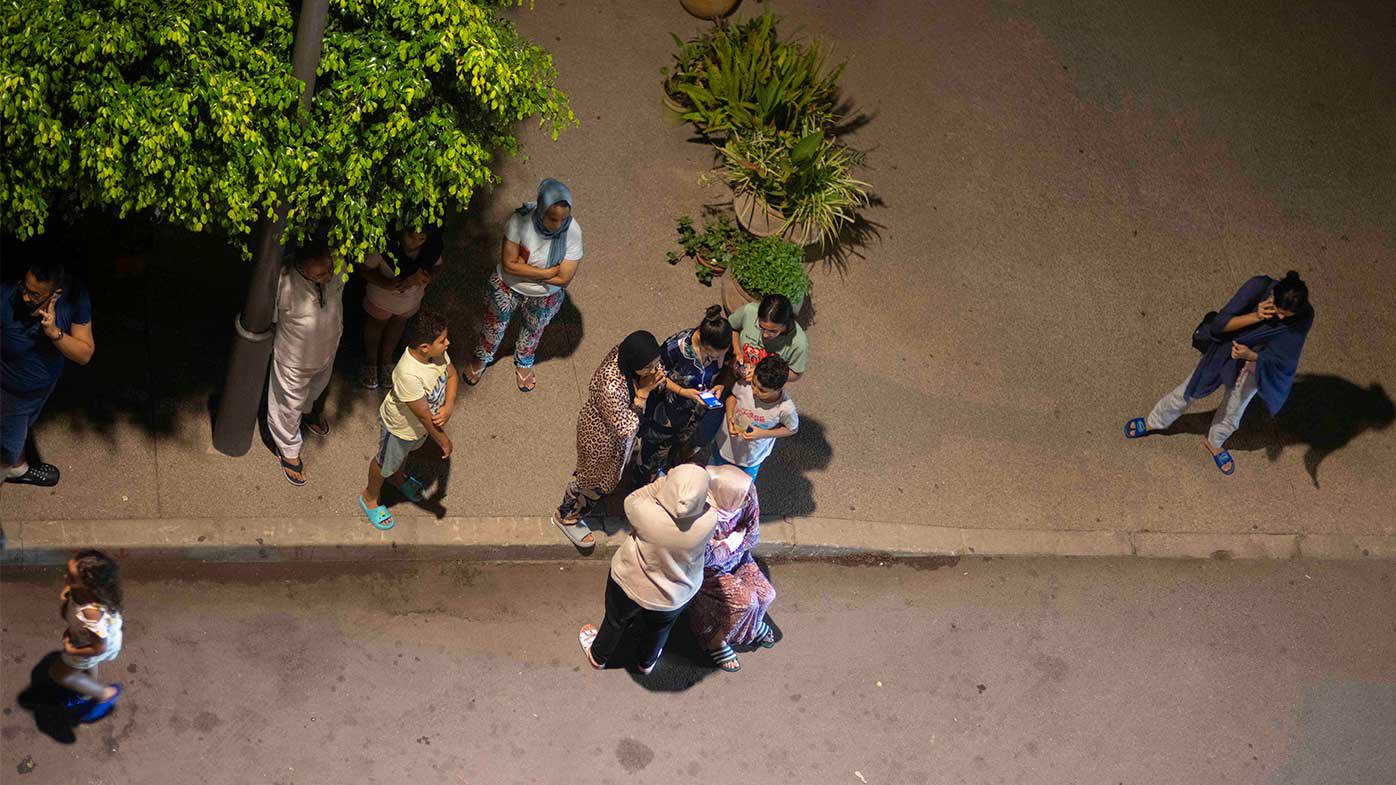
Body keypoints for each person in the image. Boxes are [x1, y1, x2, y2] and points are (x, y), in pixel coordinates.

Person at [1125, 271, 1314, 475]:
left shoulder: (1303, 317)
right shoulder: (1258, 286)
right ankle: (1153, 421)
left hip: (1255, 364)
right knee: (1188, 391)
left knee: (1234, 410)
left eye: (1286, 317)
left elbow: (1286, 357)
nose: (1279, 318)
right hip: (1225, 351)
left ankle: (1214, 442)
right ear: (1274, 295)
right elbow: (1219, 325)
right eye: (1277, 311)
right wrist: (1256, 316)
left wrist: (1253, 356)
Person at [578, 464, 720, 674]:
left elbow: (633, 498)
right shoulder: (709, 519)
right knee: (659, 628)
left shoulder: (646, 513)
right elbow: (707, 502)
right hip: (675, 596)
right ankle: (646, 662)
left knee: (615, 620)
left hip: (630, 584)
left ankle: (598, 656)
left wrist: (665, 482)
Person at [462, 178, 581, 393]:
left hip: (545, 294)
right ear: (541, 210)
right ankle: (483, 356)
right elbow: (509, 265)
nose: (559, 225)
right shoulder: (519, 221)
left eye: (564, 219)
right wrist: (546, 272)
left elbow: (564, 279)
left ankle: (524, 360)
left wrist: (524, 270)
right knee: (494, 324)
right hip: (508, 286)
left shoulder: (572, 232)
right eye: (553, 219)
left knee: (534, 329)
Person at [552, 331, 667, 549]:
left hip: (615, 440)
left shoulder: (629, 359)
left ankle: (591, 497)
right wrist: (642, 395)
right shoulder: (610, 384)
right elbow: (626, 428)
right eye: (650, 366)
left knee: (604, 479)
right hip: (600, 440)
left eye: (657, 363)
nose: (655, 370)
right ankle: (566, 515)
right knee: (588, 481)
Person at [359, 310, 457, 530]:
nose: (447, 343)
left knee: (401, 456)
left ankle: (397, 476)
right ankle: (369, 498)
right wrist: (443, 441)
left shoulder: (437, 355)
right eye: (442, 340)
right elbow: (423, 415)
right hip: (399, 429)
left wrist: (448, 407)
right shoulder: (409, 375)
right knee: (383, 462)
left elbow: (452, 376)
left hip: (418, 430)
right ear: (424, 347)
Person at [2, 258, 95, 487]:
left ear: (56, 294)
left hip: (40, 389)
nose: (24, 297)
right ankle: (12, 468)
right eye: (25, 287)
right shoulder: (5, 296)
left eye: (34, 295)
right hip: (9, 396)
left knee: (21, 432)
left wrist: (55, 333)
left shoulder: (75, 296)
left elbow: (84, 354)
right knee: (5, 454)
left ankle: (18, 468)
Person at [267, 235, 344, 486]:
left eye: (330, 269)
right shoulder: (283, 282)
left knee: (317, 387)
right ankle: (288, 450)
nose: (329, 276)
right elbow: (268, 318)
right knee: (287, 406)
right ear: (301, 267)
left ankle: (309, 411)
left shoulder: (337, 265)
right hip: (293, 359)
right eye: (321, 274)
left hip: (326, 351)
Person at [688, 465, 777, 673]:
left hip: (738, 558)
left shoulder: (745, 492)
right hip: (708, 573)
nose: (746, 500)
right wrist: (735, 538)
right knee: (747, 602)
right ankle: (715, 641)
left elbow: (753, 534)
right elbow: (708, 558)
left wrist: (727, 543)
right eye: (743, 497)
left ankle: (749, 629)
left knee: (767, 595)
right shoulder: (701, 512)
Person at [634, 306, 730, 483]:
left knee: (676, 448)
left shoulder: (722, 343)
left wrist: (720, 385)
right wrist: (683, 391)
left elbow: (725, 369)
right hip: (666, 414)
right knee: (653, 453)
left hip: (693, 414)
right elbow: (654, 374)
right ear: (702, 341)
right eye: (712, 355)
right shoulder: (676, 347)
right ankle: (643, 480)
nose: (717, 359)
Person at [358, 225, 444, 389]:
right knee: (375, 327)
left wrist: (429, 277)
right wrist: (388, 283)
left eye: (421, 239)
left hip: (408, 303)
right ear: (401, 232)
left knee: (397, 326)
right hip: (381, 300)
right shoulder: (385, 250)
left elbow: (438, 266)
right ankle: (371, 362)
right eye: (411, 237)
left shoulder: (428, 252)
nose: (415, 243)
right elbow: (365, 270)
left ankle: (386, 360)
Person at [50, 549, 124, 723]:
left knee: (59, 674)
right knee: (89, 665)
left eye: (71, 578)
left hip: (88, 646)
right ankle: (83, 692)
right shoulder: (83, 593)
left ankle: (106, 694)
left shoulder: (92, 613)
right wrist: (69, 593)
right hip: (95, 641)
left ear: (89, 587)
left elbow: (99, 648)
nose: (66, 578)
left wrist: (71, 649)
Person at [711, 355, 799, 479]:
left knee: (740, 490)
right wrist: (730, 417)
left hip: (750, 458)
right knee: (712, 478)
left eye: (762, 390)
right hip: (724, 445)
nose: (754, 391)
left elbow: (792, 429)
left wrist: (762, 434)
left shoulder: (785, 409)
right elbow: (733, 397)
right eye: (754, 384)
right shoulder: (745, 384)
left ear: (778, 388)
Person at [728, 293, 808, 383]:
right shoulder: (749, 311)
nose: (765, 335)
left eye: (773, 331)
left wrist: (764, 375)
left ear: (786, 323)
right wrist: (737, 352)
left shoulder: (798, 343)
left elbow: (796, 373)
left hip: (763, 385)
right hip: (734, 370)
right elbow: (732, 328)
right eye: (761, 327)